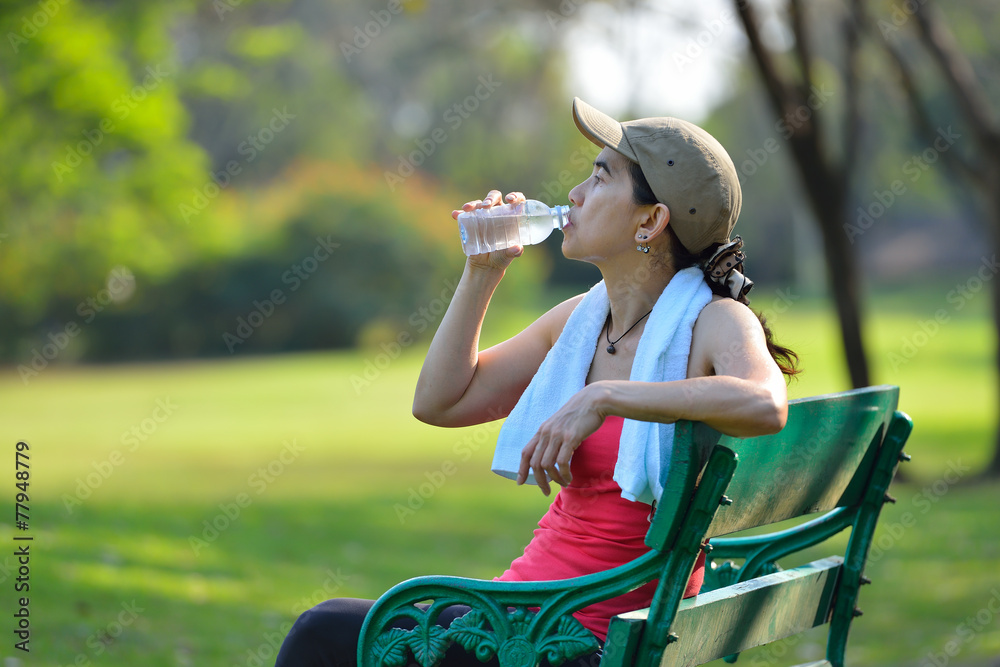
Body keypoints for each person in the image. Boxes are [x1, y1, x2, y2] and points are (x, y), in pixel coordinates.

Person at [275, 97, 799, 667]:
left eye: (600, 180)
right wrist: (483, 271)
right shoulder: (580, 321)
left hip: (571, 639)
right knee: (331, 628)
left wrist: (603, 397)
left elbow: (765, 403)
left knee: (321, 633)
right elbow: (439, 402)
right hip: (526, 614)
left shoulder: (714, 320)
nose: (574, 193)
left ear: (650, 221)